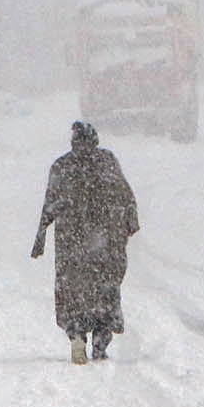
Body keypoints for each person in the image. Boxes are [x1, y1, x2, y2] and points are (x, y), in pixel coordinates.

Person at [32, 119, 140, 362]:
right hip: (105, 240)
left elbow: (50, 203)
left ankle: (77, 335)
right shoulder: (107, 161)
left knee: (73, 292)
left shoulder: (62, 166)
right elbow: (126, 195)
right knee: (106, 290)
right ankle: (101, 343)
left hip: (72, 242)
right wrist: (130, 224)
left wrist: (41, 235)